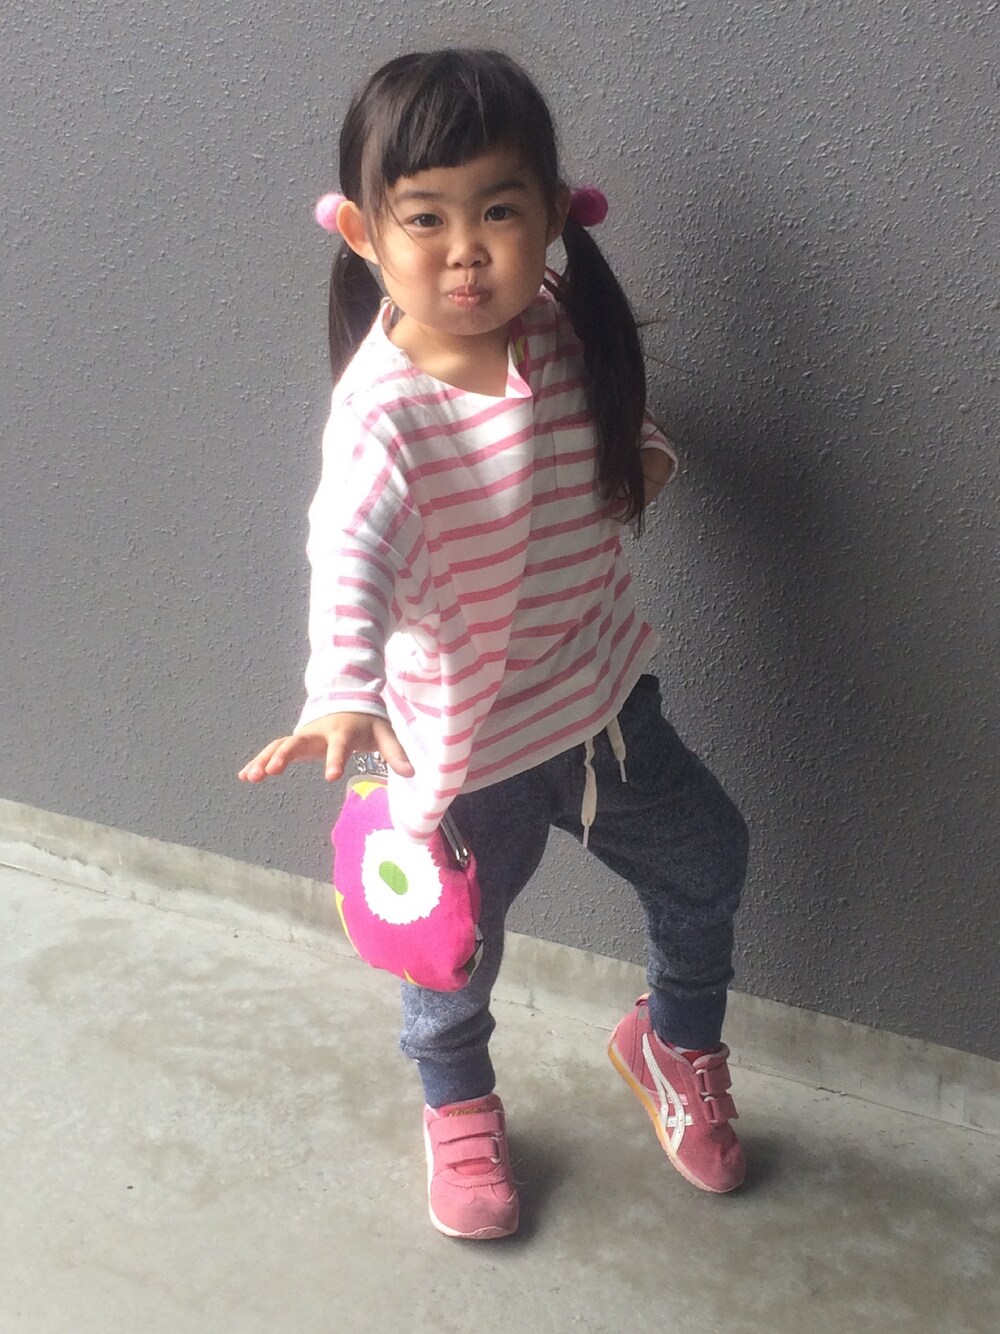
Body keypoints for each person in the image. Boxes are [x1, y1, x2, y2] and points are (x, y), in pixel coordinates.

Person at [239, 48, 749, 1239]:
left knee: (709, 858)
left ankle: (675, 1041)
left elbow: (614, 416)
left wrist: (644, 459)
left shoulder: (558, 323)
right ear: (364, 233)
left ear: (554, 214)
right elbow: (347, 552)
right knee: (447, 956)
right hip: (459, 752)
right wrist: (341, 689)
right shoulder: (383, 413)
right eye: (426, 218)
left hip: (599, 704)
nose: (465, 250)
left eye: (499, 211)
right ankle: (456, 1100)